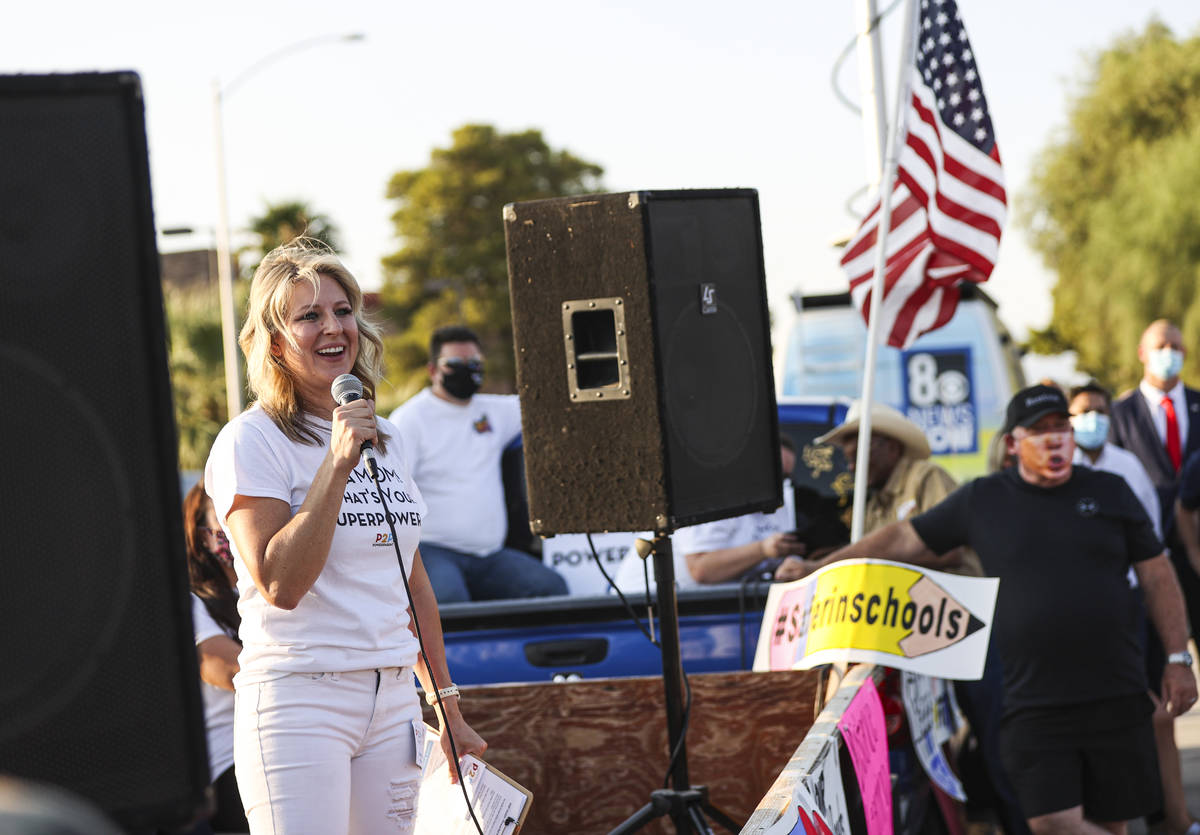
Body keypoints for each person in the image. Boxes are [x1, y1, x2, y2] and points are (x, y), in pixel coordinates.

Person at [786, 384, 1197, 834]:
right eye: (1039, 430)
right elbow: (904, 538)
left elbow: (1158, 574)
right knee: (1052, 822)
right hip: (1033, 700)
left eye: (1061, 426)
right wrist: (820, 567)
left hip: (1112, 690)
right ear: (1013, 443)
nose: (1053, 438)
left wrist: (1178, 657)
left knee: (1111, 822)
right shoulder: (983, 499)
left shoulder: (1111, 490)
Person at [205, 241, 485, 834]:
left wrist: (447, 707)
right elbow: (280, 584)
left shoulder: (388, 436)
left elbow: (410, 583)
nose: (332, 327)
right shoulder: (250, 441)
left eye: (342, 310)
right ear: (276, 342)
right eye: (308, 316)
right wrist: (335, 464)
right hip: (299, 700)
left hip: (392, 702)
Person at [1071, 382, 1199, 835]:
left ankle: (1173, 819)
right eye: (1083, 412)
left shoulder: (1127, 468)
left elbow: (1153, 550)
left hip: (1129, 610)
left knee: (1155, 716)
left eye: (1101, 411)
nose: (1093, 420)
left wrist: (1174, 651)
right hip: (1075, 620)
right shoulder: (1057, 471)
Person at [389, 325, 568, 603]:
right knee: (451, 601)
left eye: (474, 363)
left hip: (490, 555)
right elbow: (391, 493)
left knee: (551, 588)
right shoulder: (410, 420)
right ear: (433, 370)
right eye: (454, 364)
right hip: (433, 551)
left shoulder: (493, 411)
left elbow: (547, 405)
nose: (466, 370)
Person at [776, 401, 980, 579]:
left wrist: (825, 566)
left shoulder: (925, 477)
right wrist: (833, 559)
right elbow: (874, 553)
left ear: (892, 447)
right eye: (848, 460)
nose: (853, 467)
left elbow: (948, 550)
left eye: (859, 454)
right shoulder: (874, 505)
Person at [1111, 320, 1200, 635]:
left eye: (1175, 347)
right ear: (1142, 353)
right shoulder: (1119, 415)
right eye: (1160, 347)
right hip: (1146, 551)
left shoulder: (1197, 403)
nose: (1168, 353)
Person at [182, 481, 249, 835]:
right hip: (231, 756)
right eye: (227, 514)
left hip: (299, 731)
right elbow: (225, 668)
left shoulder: (278, 590)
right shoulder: (188, 600)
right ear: (201, 532)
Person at [674, 437, 806, 586]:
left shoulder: (778, 501)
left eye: (786, 477)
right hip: (708, 605)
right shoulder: (712, 498)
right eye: (776, 474)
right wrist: (762, 550)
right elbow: (700, 569)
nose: (781, 483)